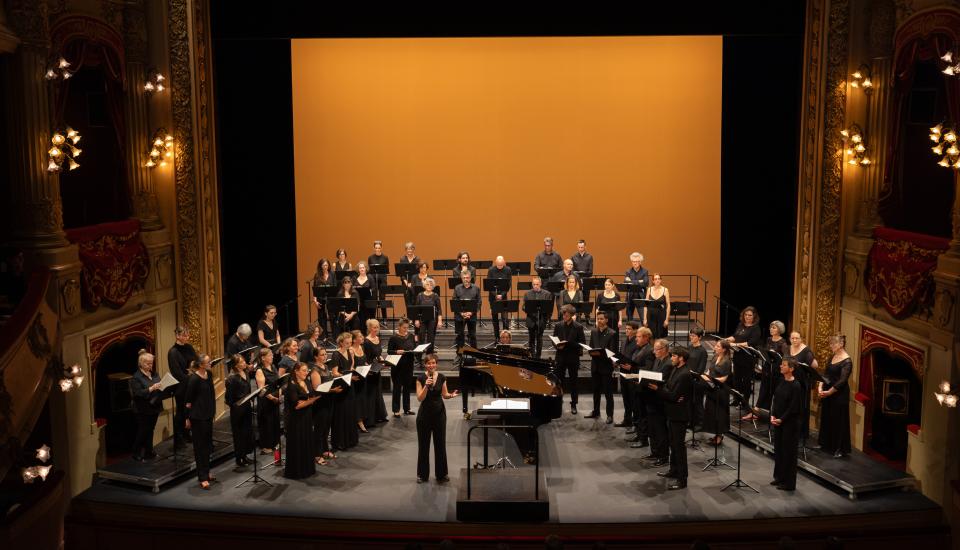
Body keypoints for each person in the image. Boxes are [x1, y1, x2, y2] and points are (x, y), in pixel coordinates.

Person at [654, 345, 694, 489]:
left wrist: (658, 389)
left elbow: (672, 395)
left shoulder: (684, 374)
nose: (671, 358)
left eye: (674, 356)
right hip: (672, 412)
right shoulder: (675, 369)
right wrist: (667, 391)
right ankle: (673, 471)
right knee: (673, 444)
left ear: (681, 358)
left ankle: (682, 479)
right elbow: (669, 389)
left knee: (679, 447)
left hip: (680, 415)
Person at [415, 353, 459, 483]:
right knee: (424, 446)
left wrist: (451, 395)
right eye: (429, 363)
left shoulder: (442, 377)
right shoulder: (420, 378)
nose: (431, 365)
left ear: (436, 364)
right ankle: (422, 475)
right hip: (424, 416)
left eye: (433, 363)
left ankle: (442, 474)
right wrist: (426, 387)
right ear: (425, 365)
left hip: (439, 414)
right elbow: (420, 398)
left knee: (440, 445)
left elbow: (444, 394)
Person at [284, 362, 320, 479]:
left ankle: (307, 468)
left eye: (307, 370)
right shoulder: (292, 385)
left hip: (306, 417)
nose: (306, 372)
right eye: (304, 370)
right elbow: (297, 406)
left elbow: (310, 396)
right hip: (296, 420)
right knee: (298, 443)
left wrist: (307, 401)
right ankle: (297, 471)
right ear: (296, 371)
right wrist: (310, 401)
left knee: (306, 441)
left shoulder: (307, 382)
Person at [819, 334, 852, 457]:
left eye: (833, 343)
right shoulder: (832, 356)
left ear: (841, 344)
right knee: (827, 417)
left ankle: (838, 448)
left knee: (838, 420)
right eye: (831, 343)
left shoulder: (847, 361)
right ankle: (825, 444)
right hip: (828, 391)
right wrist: (820, 386)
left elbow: (842, 381)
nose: (831, 346)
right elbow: (825, 373)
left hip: (839, 394)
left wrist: (829, 392)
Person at [185, 354, 215, 489]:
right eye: (208, 362)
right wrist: (187, 418)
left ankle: (207, 472)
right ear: (201, 365)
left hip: (208, 415)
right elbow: (188, 402)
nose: (211, 363)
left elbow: (212, 394)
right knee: (200, 447)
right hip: (197, 417)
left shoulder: (208, 374)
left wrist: (213, 412)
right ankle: (202, 476)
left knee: (208, 446)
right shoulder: (194, 379)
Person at [130, 350, 167, 461]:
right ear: (141, 363)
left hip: (154, 406)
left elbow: (160, 385)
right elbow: (138, 393)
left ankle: (149, 451)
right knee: (143, 430)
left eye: (151, 363)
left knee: (151, 429)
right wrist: (151, 388)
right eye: (148, 363)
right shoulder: (136, 377)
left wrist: (163, 386)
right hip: (143, 408)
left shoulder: (154, 374)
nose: (150, 365)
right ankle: (136, 451)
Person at [771, 357, 802, 490]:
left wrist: (781, 419)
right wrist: (772, 414)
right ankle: (779, 477)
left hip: (789, 423)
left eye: (783, 365)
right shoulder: (781, 380)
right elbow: (776, 398)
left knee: (788, 452)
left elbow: (793, 407)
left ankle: (789, 483)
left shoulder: (796, 386)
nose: (780, 367)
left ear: (791, 369)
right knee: (778, 450)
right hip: (778, 420)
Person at [727, 306, 762, 415]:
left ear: (754, 316)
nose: (747, 317)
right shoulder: (740, 325)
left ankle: (744, 401)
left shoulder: (756, 328)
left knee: (746, 381)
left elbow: (751, 342)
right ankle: (737, 399)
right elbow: (735, 336)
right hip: (738, 356)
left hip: (748, 358)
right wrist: (726, 340)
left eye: (750, 315)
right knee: (736, 379)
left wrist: (736, 344)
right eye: (746, 315)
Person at [585, 311, 618, 423]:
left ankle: (610, 415)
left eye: (601, 319)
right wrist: (592, 352)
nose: (599, 321)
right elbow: (590, 348)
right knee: (595, 391)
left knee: (608, 393)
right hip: (595, 366)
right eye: (598, 319)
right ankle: (596, 411)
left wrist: (600, 353)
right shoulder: (593, 331)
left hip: (606, 366)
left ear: (606, 320)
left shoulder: (612, 333)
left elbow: (612, 352)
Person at [308, 346, 340, 463]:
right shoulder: (314, 370)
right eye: (322, 354)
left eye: (325, 354)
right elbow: (317, 388)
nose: (325, 356)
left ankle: (325, 450)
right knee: (319, 429)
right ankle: (317, 454)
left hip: (329, 400)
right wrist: (333, 390)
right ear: (316, 356)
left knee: (327, 427)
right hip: (320, 402)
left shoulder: (326, 366)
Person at [642, 339, 671, 466]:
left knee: (660, 430)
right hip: (651, 399)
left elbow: (661, 380)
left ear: (664, 349)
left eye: (656, 349)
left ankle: (663, 456)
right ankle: (655, 452)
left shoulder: (668, 363)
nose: (654, 352)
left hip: (659, 401)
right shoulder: (658, 360)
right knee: (652, 428)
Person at [167, 326, 197, 448]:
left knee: (189, 411)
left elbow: (195, 362)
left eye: (187, 335)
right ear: (177, 336)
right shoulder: (173, 352)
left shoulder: (189, 347)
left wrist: (193, 371)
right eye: (184, 335)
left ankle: (187, 434)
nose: (186, 337)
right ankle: (178, 438)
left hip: (190, 383)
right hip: (181, 387)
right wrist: (189, 377)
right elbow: (176, 372)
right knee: (181, 412)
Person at [753, 320, 790, 419]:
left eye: (774, 328)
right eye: (771, 327)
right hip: (767, 368)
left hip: (776, 370)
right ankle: (757, 409)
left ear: (779, 330)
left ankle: (773, 413)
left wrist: (776, 355)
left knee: (774, 391)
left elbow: (786, 357)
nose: (771, 329)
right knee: (763, 389)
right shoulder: (769, 339)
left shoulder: (783, 343)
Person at [786, 330, 817, 446]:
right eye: (792, 338)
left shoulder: (806, 351)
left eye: (797, 338)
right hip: (789, 382)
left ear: (801, 339)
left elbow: (815, 365)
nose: (794, 340)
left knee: (799, 409)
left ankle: (800, 433)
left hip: (801, 385)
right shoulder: (788, 348)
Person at [553, 304, 585, 415]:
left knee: (573, 382)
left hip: (572, 357)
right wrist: (557, 345)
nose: (564, 316)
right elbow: (554, 340)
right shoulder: (558, 325)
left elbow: (582, 343)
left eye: (566, 314)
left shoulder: (578, 327)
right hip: (561, 357)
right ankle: (558, 402)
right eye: (563, 314)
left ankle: (574, 404)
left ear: (571, 315)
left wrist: (568, 343)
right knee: (559, 381)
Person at [330, 332, 359, 450]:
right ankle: (341, 441)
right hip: (341, 385)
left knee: (350, 411)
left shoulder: (349, 351)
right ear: (341, 343)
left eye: (350, 342)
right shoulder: (336, 355)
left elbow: (351, 367)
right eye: (347, 343)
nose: (349, 345)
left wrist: (354, 373)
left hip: (349, 383)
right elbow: (334, 372)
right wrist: (347, 376)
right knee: (342, 413)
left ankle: (350, 439)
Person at [224, 353, 254, 468]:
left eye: (243, 361)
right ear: (236, 366)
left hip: (247, 407)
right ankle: (239, 458)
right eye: (241, 362)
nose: (244, 363)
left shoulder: (245, 372)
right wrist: (236, 406)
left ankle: (245, 455)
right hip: (237, 410)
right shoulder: (231, 379)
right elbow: (228, 399)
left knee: (247, 432)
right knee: (239, 434)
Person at [701, 340, 733, 446]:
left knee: (720, 413)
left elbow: (724, 378)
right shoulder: (715, 357)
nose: (715, 347)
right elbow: (709, 371)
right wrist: (703, 376)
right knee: (712, 412)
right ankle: (716, 434)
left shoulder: (727, 361)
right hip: (712, 388)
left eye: (718, 346)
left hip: (721, 390)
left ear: (724, 349)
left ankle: (720, 435)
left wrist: (710, 380)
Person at [627, 327, 654, 448]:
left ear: (646, 337)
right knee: (637, 411)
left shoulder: (649, 350)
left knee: (642, 413)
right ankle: (639, 434)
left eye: (638, 336)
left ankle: (643, 439)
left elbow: (648, 368)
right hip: (635, 384)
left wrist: (632, 369)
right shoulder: (639, 348)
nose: (636, 338)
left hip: (642, 386)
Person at [254, 347, 281, 454]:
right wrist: (273, 398)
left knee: (275, 421)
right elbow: (262, 389)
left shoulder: (273, 366)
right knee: (267, 423)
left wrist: (279, 394)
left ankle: (274, 443)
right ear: (263, 358)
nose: (272, 356)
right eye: (270, 355)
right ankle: (266, 445)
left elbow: (278, 382)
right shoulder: (260, 371)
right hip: (266, 401)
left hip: (275, 399)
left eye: (272, 355)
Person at [388, 318, 417, 417]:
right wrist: (396, 351)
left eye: (407, 327)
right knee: (397, 388)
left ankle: (407, 408)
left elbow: (414, 347)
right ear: (399, 327)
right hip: (398, 367)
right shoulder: (393, 338)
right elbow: (389, 351)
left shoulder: (411, 336)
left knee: (407, 388)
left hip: (408, 366)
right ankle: (396, 410)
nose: (406, 329)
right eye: (404, 327)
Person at [362, 319, 389, 424]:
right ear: (369, 328)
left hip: (377, 369)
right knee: (371, 393)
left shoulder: (378, 338)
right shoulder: (366, 341)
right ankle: (370, 419)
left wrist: (383, 362)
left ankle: (379, 415)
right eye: (374, 327)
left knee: (377, 392)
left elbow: (378, 355)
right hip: (370, 370)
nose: (376, 329)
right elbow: (364, 357)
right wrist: (368, 368)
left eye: (377, 327)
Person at [615, 321, 641, 427]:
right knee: (625, 398)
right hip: (623, 372)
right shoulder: (624, 340)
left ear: (635, 330)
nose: (626, 330)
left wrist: (631, 366)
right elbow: (622, 354)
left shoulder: (637, 342)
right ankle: (627, 419)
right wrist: (617, 361)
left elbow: (637, 359)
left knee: (633, 399)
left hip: (632, 374)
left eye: (629, 329)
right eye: (626, 328)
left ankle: (635, 422)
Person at [523, 276, 554, 358]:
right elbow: (523, 307)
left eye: (537, 284)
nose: (535, 286)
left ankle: (538, 356)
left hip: (541, 320)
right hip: (531, 319)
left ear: (540, 284)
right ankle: (532, 355)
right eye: (534, 284)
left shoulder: (547, 294)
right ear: (532, 285)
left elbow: (549, 308)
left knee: (539, 339)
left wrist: (546, 319)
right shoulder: (527, 294)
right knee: (531, 339)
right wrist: (529, 309)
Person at [687, 327, 709, 429]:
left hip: (697, 380)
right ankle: (691, 421)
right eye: (690, 335)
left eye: (694, 336)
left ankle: (700, 423)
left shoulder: (702, 351)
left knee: (697, 402)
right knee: (689, 401)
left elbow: (701, 368)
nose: (691, 337)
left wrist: (694, 375)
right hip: (689, 378)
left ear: (699, 337)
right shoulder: (689, 347)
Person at [487, 256, 513, 340]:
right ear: (495, 263)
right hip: (493, 297)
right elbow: (489, 285)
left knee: (505, 319)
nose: (500, 267)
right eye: (498, 265)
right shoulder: (491, 270)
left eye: (501, 265)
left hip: (503, 297)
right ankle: (497, 338)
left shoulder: (508, 269)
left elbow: (508, 284)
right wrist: (495, 295)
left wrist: (502, 295)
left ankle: (506, 339)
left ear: (504, 263)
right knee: (495, 319)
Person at [453, 270, 480, 350]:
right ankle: (459, 355)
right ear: (461, 278)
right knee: (460, 335)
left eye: (467, 277)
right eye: (464, 278)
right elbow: (454, 302)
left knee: (473, 335)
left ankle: (474, 354)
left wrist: (471, 313)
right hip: (459, 316)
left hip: (472, 316)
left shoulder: (476, 288)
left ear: (470, 278)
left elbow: (479, 302)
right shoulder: (457, 288)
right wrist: (462, 313)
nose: (466, 279)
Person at [350, 329, 370, 433]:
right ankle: (358, 421)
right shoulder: (351, 350)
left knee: (362, 399)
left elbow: (364, 361)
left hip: (363, 376)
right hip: (356, 378)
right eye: (360, 337)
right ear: (354, 340)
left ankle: (361, 419)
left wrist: (367, 366)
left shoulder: (361, 347)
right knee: (357, 400)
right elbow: (351, 367)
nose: (362, 338)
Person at [414, 277, 442, 345]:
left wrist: (440, 321)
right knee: (421, 336)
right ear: (424, 285)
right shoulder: (420, 295)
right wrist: (416, 320)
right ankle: (419, 354)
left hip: (432, 319)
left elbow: (439, 309)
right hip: (422, 319)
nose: (429, 286)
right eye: (427, 284)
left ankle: (430, 353)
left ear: (433, 286)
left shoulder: (435, 296)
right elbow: (416, 309)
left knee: (431, 337)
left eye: (431, 285)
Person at [312, 259, 335, 336]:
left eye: (326, 265)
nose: (325, 267)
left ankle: (334, 336)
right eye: (324, 265)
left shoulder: (332, 274)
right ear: (320, 266)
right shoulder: (317, 275)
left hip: (331, 299)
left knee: (332, 317)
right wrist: (315, 300)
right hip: (320, 299)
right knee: (322, 318)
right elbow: (315, 289)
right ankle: (323, 336)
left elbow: (335, 287)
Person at [367, 240, 390, 320]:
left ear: (381, 248)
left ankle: (384, 319)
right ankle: (372, 318)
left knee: (382, 299)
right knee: (373, 299)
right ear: (374, 248)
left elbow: (387, 270)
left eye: (379, 248)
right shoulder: (370, 258)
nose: (377, 249)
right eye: (376, 248)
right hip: (373, 281)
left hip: (382, 281)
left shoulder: (385, 257)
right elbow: (369, 271)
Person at [644, 274, 671, 339]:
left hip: (661, 315)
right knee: (651, 336)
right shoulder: (649, 289)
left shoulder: (665, 290)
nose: (657, 280)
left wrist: (667, 319)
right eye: (655, 279)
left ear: (661, 280)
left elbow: (668, 305)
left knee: (661, 337)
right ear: (653, 281)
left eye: (659, 279)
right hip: (650, 316)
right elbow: (645, 305)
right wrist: (645, 319)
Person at [624, 252, 649, 322]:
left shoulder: (644, 271)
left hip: (640, 296)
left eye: (636, 261)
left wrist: (631, 281)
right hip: (630, 296)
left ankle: (644, 332)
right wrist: (639, 281)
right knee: (629, 318)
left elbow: (646, 283)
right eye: (633, 261)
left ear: (640, 262)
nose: (634, 263)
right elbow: (626, 282)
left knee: (643, 318)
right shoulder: (628, 271)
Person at [399, 242, 421, 307]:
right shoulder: (402, 259)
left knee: (415, 301)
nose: (409, 250)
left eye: (411, 249)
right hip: (405, 283)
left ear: (413, 249)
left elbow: (418, 272)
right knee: (407, 301)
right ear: (406, 250)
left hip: (415, 283)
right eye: (408, 249)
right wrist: (406, 282)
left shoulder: (417, 259)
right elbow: (401, 273)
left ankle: (414, 317)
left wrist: (412, 283)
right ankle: (409, 317)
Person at [354, 262, 374, 327]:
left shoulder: (370, 277)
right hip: (358, 301)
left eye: (363, 267)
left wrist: (369, 290)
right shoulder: (355, 278)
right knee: (359, 318)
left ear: (366, 269)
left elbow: (373, 288)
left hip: (368, 301)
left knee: (367, 318)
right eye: (360, 268)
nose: (362, 269)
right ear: (358, 269)